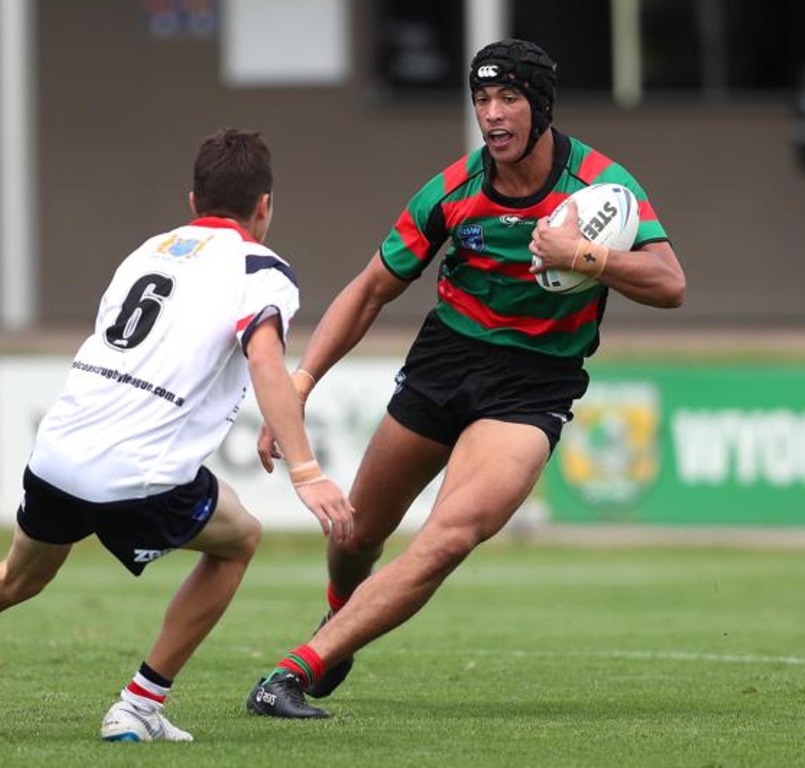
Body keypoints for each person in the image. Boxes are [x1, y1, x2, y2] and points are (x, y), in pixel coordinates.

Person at [0, 128, 354, 741]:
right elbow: (264, 359)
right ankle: (137, 708)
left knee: (16, 576)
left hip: (59, 450)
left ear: (193, 200)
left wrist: (272, 416)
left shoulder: (150, 250)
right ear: (265, 205)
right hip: (133, 470)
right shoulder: (263, 270)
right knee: (239, 539)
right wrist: (306, 471)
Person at [246, 38, 686, 719]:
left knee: (450, 536)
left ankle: (294, 671)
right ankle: (339, 621)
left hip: (533, 384)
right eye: (482, 99)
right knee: (355, 537)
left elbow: (669, 283)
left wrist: (584, 254)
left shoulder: (602, 187)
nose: (493, 114)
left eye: (508, 97)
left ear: (539, 106)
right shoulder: (453, 191)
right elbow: (369, 290)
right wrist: (301, 384)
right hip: (445, 360)